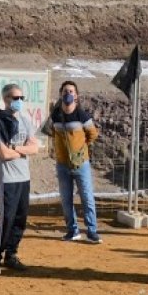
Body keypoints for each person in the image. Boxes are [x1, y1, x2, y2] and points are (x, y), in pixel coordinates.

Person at [0, 84, 39, 274]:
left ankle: (11, 254)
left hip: (24, 177)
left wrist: (16, 148)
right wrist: (22, 150)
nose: (18, 101)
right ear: (6, 99)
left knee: (20, 218)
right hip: (7, 178)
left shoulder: (25, 120)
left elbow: (34, 148)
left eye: (21, 98)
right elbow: (3, 154)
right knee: (6, 219)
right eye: (15, 98)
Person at [46, 80, 101, 243]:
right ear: (60, 94)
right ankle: (72, 230)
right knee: (66, 199)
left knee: (87, 198)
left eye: (71, 91)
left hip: (81, 164)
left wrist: (80, 149)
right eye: (65, 91)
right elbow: (51, 131)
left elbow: (92, 134)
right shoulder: (55, 115)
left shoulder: (82, 115)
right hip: (62, 164)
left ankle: (92, 231)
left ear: (76, 96)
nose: (68, 94)